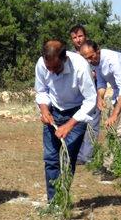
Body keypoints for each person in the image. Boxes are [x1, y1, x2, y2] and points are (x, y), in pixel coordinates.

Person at [35, 40, 97, 201]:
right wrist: (44, 110)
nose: (52, 72)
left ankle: (62, 199)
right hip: (54, 111)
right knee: (51, 159)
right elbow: (41, 91)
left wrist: (69, 125)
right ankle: (54, 201)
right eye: (49, 68)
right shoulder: (42, 64)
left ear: (65, 59)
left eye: (56, 68)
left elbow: (91, 100)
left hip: (76, 114)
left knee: (67, 159)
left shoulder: (81, 67)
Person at [79, 41, 121, 149]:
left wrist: (114, 114)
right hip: (118, 94)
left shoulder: (114, 60)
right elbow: (101, 82)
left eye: (91, 56)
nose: (90, 60)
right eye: (86, 58)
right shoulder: (95, 62)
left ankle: (114, 164)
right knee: (112, 130)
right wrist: (99, 97)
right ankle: (109, 163)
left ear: (98, 51)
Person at [69, 24, 100, 164]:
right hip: (75, 96)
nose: (78, 39)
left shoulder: (92, 51)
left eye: (80, 36)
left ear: (85, 36)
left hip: (92, 93)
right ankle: (75, 153)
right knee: (76, 123)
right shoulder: (69, 56)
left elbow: (101, 69)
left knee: (92, 124)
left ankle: (86, 156)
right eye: (74, 37)